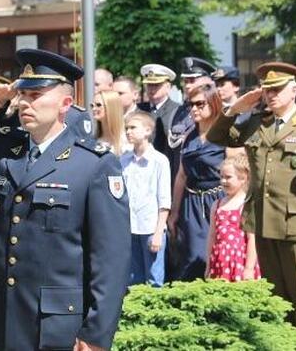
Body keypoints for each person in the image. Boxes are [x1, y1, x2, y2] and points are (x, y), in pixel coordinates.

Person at [0, 48, 131, 351]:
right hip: (3, 317)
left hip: (57, 326)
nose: (24, 103)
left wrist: (96, 335)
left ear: (65, 104)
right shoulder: (3, 154)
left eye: (36, 95)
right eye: (22, 94)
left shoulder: (94, 165)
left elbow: (110, 261)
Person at [208, 62, 296, 351]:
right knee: (276, 298)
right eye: (267, 90)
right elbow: (216, 137)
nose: (271, 95)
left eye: (278, 89)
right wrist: (234, 109)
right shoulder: (256, 122)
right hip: (263, 222)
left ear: (294, 91)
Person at [167, 83, 225, 281]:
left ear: (214, 103)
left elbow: (238, 170)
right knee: (191, 258)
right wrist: (174, 213)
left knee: (215, 256)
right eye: (190, 104)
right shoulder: (189, 136)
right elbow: (181, 175)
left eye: (200, 104)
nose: (194, 109)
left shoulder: (225, 134)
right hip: (191, 204)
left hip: (218, 199)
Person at [120, 111, 171, 286]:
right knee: (133, 278)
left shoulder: (159, 161)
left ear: (148, 131)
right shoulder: (123, 160)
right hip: (130, 228)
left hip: (150, 227)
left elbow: (164, 200)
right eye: (126, 128)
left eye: (133, 127)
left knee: (154, 277)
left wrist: (158, 232)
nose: (128, 132)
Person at [205, 154, 260, 282]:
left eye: (228, 177)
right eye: (221, 177)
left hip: (239, 261)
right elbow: (212, 236)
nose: (223, 181)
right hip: (219, 260)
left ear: (243, 178)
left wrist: (249, 268)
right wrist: (208, 262)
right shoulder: (217, 205)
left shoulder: (247, 204)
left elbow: (252, 239)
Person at [138, 63, 181, 158]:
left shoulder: (177, 110)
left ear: (168, 87)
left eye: (156, 85)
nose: (152, 89)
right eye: (149, 85)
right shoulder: (138, 109)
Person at [92, 91, 128, 155]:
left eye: (98, 105)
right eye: (92, 105)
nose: (94, 109)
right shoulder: (94, 139)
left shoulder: (126, 140)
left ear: (111, 107)